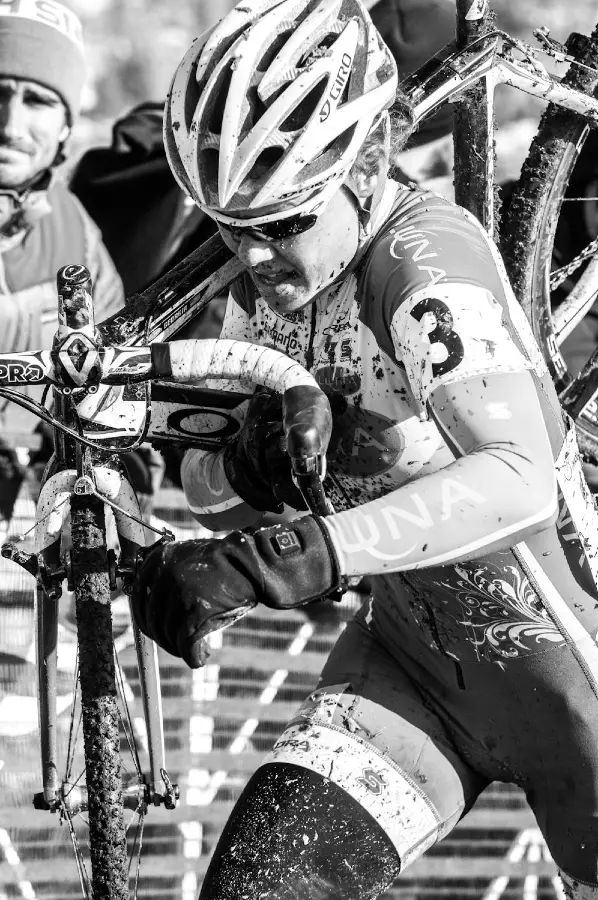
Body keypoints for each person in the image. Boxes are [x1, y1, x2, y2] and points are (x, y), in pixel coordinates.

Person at [130, 0, 598, 897]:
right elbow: (210, 496)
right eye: (229, 224)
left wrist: (300, 553)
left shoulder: (424, 257)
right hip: (418, 680)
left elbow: (517, 480)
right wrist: (241, 472)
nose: (252, 253)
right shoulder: (268, 282)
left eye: (282, 223)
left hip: (579, 687)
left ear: (369, 160)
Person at [0, 0, 124, 520]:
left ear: (67, 126)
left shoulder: (77, 236)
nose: (11, 125)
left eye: (38, 101)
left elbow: (118, 382)